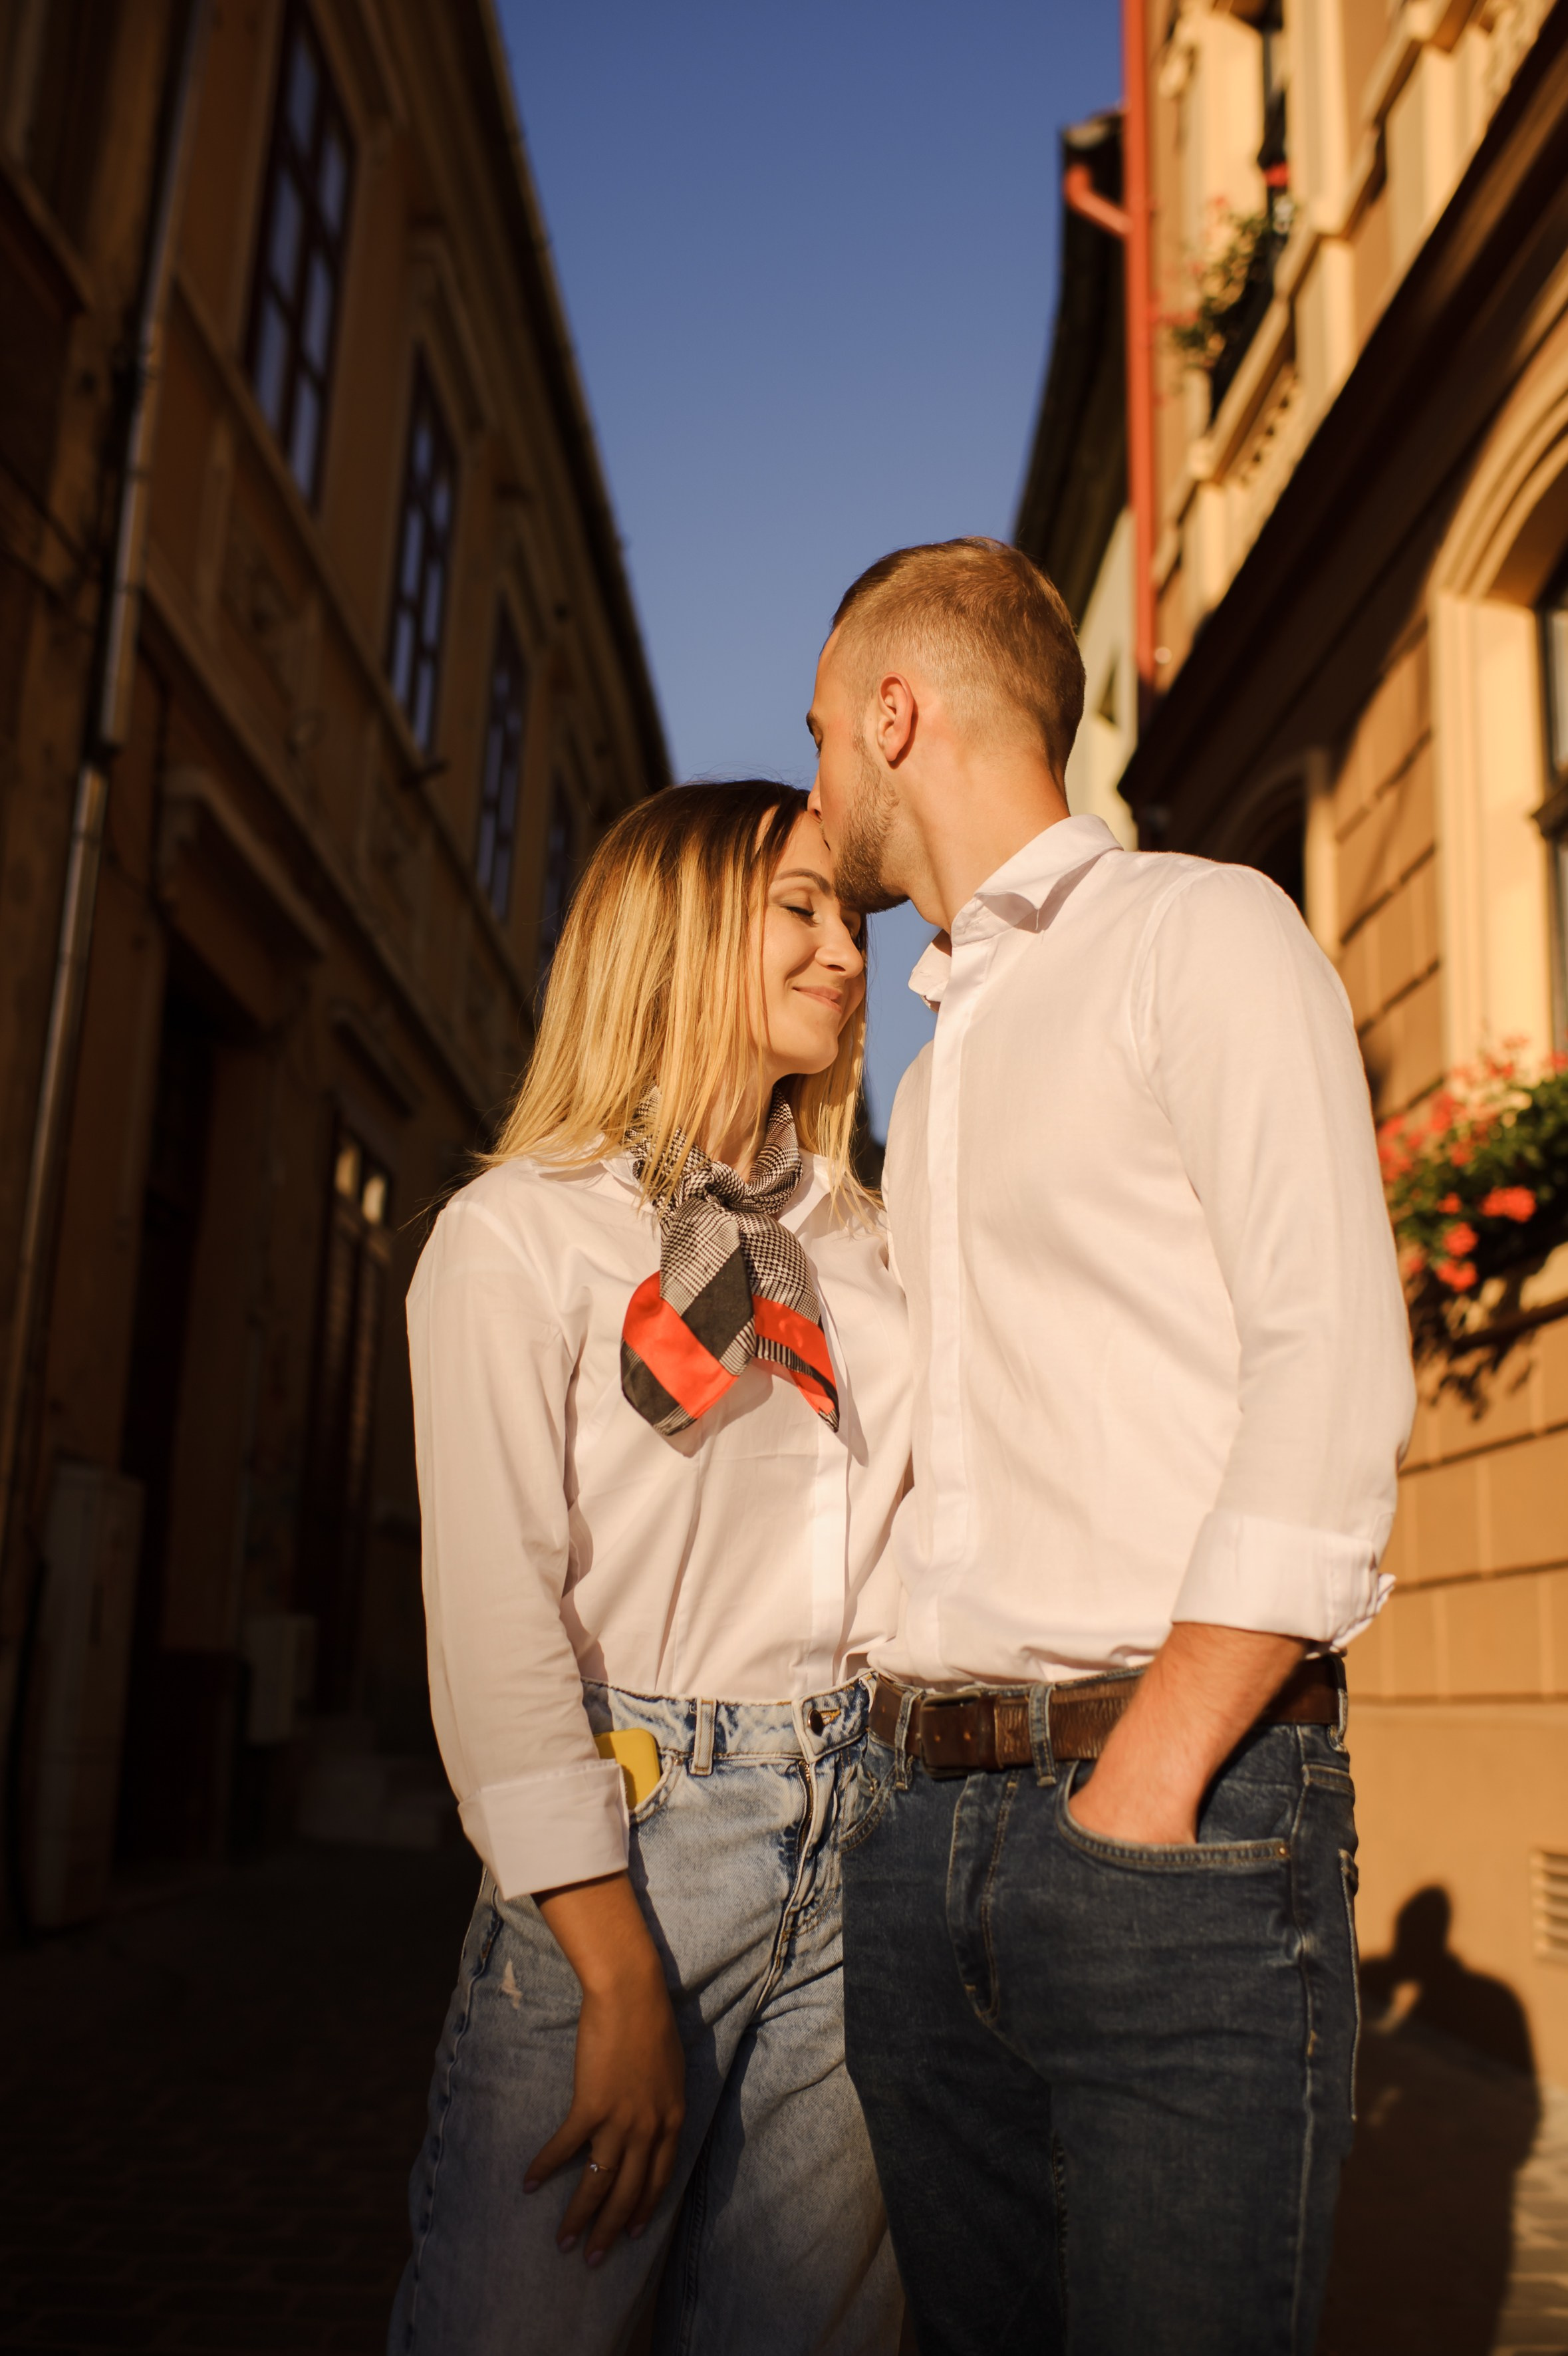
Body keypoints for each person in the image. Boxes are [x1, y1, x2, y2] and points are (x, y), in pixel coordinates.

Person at [805, 537, 1416, 2356]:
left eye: (823, 731)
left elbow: (1327, 1361)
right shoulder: (943, 1045)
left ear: (893, 714)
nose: (818, 778)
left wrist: (1140, 1784)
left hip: (1175, 1826)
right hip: (926, 1859)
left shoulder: (1199, 930)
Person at [388, 783, 909, 2356]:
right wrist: (611, 1967)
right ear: (673, 933)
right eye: (799, 908)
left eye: (850, 917)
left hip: (868, 1822)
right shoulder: (516, 1237)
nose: (844, 951)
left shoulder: (869, 1243)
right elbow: (497, 1623)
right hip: (639, 1834)